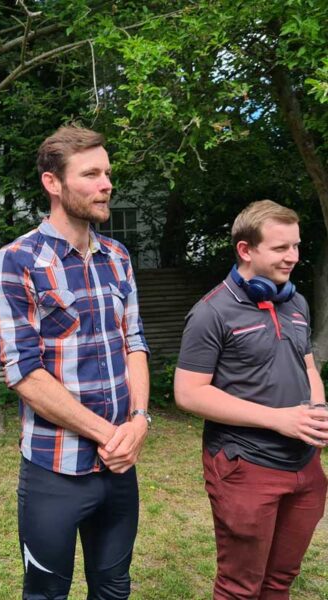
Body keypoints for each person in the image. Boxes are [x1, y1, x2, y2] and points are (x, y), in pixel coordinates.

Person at [0, 125, 150, 599]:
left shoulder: (117, 257)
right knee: (45, 593)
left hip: (119, 468)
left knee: (114, 588)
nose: (107, 185)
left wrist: (139, 421)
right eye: (91, 174)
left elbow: (135, 344)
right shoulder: (18, 260)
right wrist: (109, 434)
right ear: (53, 183)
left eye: (108, 173)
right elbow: (24, 372)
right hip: (54, 471)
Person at [174, 200, 328, 599]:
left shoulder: (295, 302)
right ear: (245, 249)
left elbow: (307, 366)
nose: (293, 256)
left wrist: (316, 414)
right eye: (281, 248)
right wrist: (279, 419)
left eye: (296, 246)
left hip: (305, 465)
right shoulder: (210, 313)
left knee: (280, 581)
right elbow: (188, 393)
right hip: (246, 466)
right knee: (240, 588)